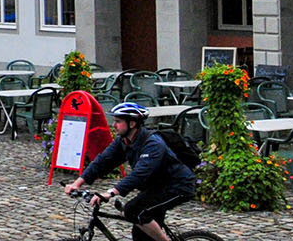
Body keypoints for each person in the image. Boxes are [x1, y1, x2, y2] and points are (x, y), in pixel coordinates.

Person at [64, 102, 198, 241]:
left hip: (178, 185)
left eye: (118, 121)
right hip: (156, 186)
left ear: (132, 124)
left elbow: (140, 174)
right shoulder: (124, 141)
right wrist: (78, 183)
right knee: (140, 233)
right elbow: (102, 161)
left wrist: (111, 192)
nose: (114, 125)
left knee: (133, 210)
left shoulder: (153, 144)